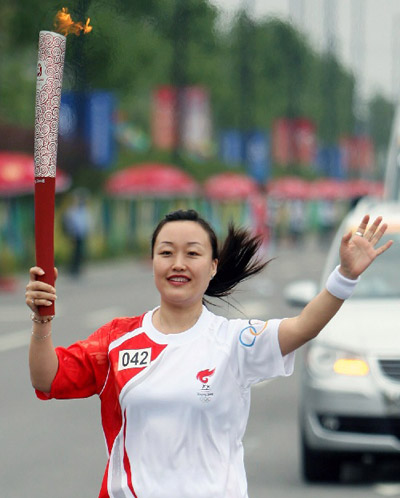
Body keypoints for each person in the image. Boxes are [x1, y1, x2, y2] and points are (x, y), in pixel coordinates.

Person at [25, 209, 392, 498]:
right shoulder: (116, 341)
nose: (178, 263)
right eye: (166, 253)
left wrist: (344, 276)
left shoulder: (233, 341)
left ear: (213, 266)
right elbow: (47, 378)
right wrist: (42, 322)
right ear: (153, 263)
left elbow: (303, 326)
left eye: (193, 253)